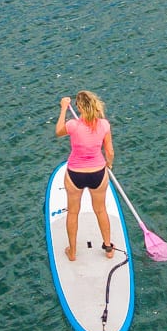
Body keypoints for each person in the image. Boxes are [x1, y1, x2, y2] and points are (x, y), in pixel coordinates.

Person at [55, 91, 116, 261]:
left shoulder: (73, 125)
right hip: (98, 173)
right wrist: (109, 164)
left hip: (75, 174)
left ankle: (73, 252)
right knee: (101, 210)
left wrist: (63, 108)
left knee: (73, 213)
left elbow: (58, 131)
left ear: (80, 107)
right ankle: (108, 248)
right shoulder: (104, 125)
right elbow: (109, 151)